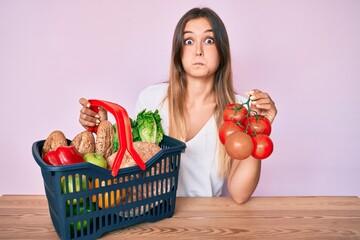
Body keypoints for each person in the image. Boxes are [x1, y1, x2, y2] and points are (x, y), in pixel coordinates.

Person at [79, 7, 277, 204]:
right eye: (188, 41)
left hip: (206, 223)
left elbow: (240, 194)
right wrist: (103, 131)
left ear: (222, 51)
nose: (198, 50)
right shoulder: (151, 99)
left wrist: (258, 131)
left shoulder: (239, 109)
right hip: (152, 216)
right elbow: (129, 164)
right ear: (178, 52)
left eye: (209, 40)